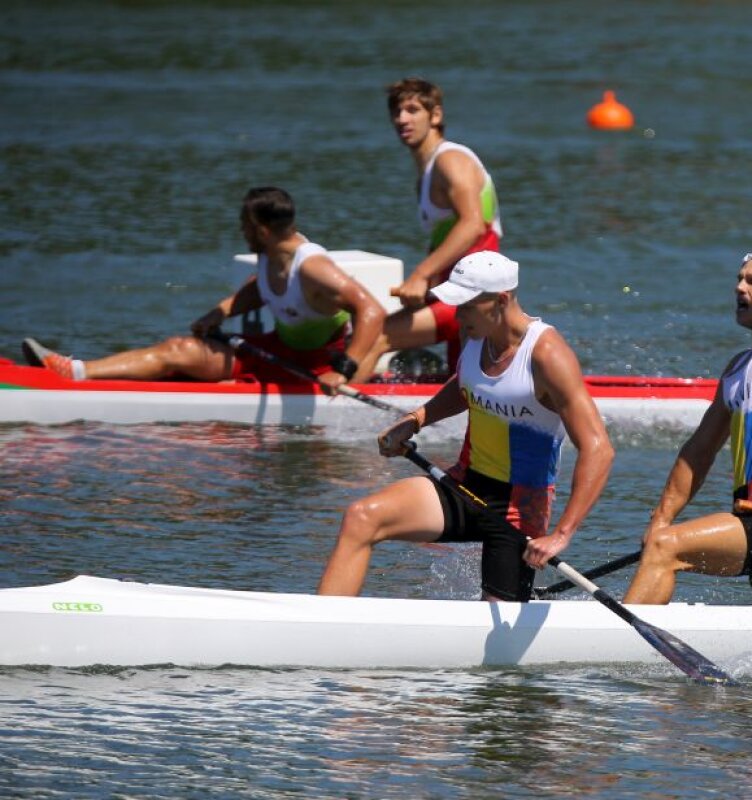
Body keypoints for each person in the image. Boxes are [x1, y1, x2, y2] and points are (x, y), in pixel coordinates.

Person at [317, 251, 613, 602]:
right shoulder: (477, 340)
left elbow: (599, 449)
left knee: (496, 631)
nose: (457, 315)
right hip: (463, 485)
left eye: (466, 306)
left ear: (500, 301)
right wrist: (416, 420)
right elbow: (465, 386)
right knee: (361, 517)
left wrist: (562, 534)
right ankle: (323, 624)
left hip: (517, 510)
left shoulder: (547, 356)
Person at [623, 111, 752, 607]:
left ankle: (618, 671)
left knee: (667, 551)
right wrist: (659, 521)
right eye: (738, 279)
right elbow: (697, 453)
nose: (739, 286)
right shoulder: (738, 369)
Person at [21, 187, 385, 394]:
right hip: (278, 349)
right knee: (177, 348)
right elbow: (262, 288)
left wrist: (343, 370)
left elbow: (371, 310)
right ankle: (76, 371)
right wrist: (222, 312)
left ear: (260, 229)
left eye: (245, 226)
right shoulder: (273, 253)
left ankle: (82, 377)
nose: (241, 232)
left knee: (184, 357)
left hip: (313, 370)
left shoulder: (313, 268)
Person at [367, 77, 504, 374]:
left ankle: (337, 413)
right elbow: (446, 241)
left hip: (474, 297)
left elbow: (473, 226)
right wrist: (424, 289)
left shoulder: (449, 160)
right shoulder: (427, 172)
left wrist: (420, 274)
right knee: (461, 381)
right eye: (396, 112)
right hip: (455, 292)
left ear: (436, 116)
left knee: (374, 336)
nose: (402, 118)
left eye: (412, 109)